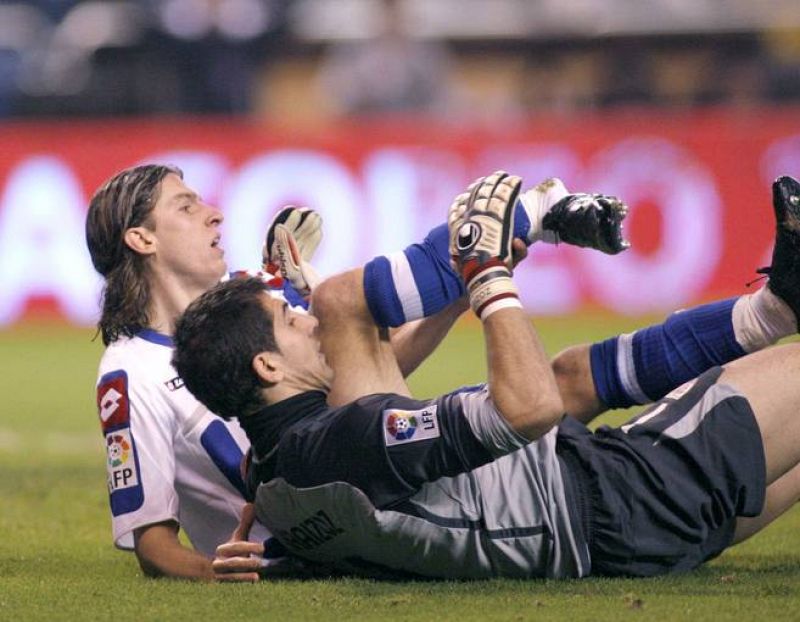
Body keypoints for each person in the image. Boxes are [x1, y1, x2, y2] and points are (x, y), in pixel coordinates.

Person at [173, 172, 800, 580]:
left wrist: (277, 561)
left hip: (615, 531)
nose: (306, 321)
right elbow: (526, 410)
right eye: (289, 319)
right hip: (623, 494)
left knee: (571, 373)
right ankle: (540, 209)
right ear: (267, 366)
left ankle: (775, 308)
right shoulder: (343, 440)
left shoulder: (277, 467)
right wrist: (487, 277)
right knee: (349, 300)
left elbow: (373, 371)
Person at [85, 164, 624, 579]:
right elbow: (152, 543)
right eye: (186, 206)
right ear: (142, 239)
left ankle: (524, 221)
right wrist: (216, 571)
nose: (214, 213)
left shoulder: (252, 299)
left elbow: (358, 382)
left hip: (368, 503)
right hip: (310, 537)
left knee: (564, 379)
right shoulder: (129, 374)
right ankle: (540, 207)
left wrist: (464, 291)